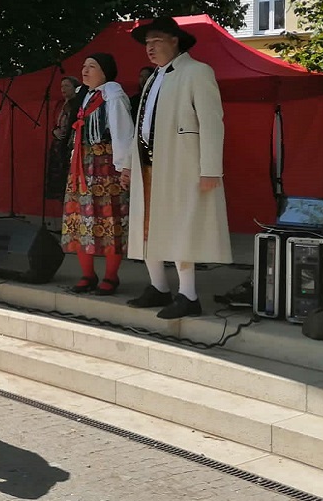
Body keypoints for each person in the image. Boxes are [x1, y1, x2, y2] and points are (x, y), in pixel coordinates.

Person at [124, 16, 231, 319]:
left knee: (183, 226)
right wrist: (131, 164)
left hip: (181, 164)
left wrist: (210, 168)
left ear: (175, 40)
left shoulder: (197, 72)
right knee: (148, 226)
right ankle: (158, 286)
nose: (150, 47)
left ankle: (189, 294)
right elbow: (143, 124)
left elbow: (212, 122)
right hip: (150, 164)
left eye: (156, 40)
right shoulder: (155, 78)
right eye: (147, 42)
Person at [62, 54, 133, 296]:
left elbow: (123, 132)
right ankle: (87, 274)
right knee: (81, 219)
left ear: (105, 72)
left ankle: (111, 277)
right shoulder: (84, 95)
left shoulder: (112, 94)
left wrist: (124, 166)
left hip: (106, 166)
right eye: (83, 66)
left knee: (109, 219)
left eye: (91, 66)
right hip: (82, 164)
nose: (85, 70)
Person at [45, 76, 82, 202]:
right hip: (58, 143)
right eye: (62, 86)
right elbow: (56, 122)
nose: (63, 89)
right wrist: (54, 131)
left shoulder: (77, 104)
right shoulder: (61, 104)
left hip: (69, 145)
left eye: (67, 86)